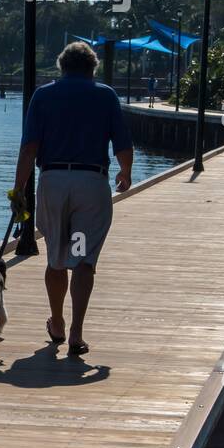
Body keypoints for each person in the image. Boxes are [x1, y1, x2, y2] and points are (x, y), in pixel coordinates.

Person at [11, 41, 133, 355]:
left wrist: (19, 191)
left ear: (61, 67)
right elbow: (122, 144)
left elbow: (29, 149)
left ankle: (57, 321)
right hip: (90, 184)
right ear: (93, 69)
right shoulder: (105, 95)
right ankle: (77, 333)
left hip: (53, 182)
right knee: (82, 258)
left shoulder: (44, 95)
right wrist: (125, 172)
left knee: (56, 256)